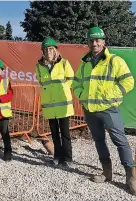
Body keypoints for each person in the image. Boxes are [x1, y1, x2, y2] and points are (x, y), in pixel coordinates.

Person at [72, 26, 135, 195]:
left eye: (98, 40)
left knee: (120, 141)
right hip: (90, 110)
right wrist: (82, 96)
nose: (95, 43)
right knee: (99, 141)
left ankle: (131, 177)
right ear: (88, 43)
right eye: (91, 40)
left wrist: (109, 95)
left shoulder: (114, 61)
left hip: (109, 109)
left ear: (103, 42)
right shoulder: (84, 63)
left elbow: (128, 82)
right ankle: (107, 173)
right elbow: (76, 83)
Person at [35, 37, 75, 167]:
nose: (48, 52)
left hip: (63, 105)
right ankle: (57, 156)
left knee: (65, 133)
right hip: (50, 106)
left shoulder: (64, 63)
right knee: (54, 134)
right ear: (43, 51)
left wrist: (63, 89)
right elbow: (41, 82)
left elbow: (71, 79)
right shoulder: (39, 66)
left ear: (55, 50)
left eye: (51, 49)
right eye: (46, 50)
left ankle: (68, 159)